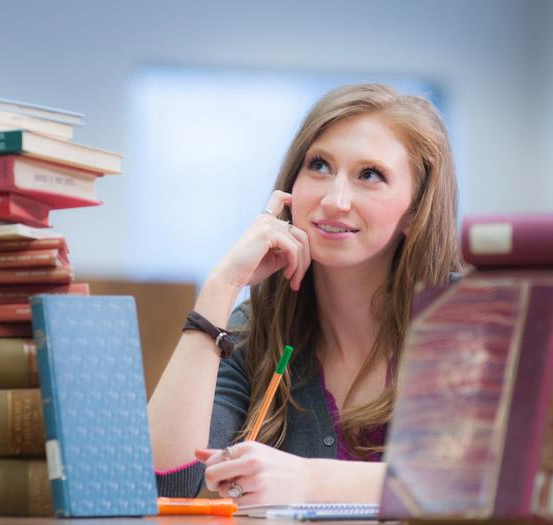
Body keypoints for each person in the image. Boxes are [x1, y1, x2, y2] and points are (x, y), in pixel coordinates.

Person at [147, 84, 462, 505]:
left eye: (370, 175)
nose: (335, 200)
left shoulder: (468, 318)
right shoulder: (255, 331)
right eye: (319, 166)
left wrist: (311, 481)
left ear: (416, 208)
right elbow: (165, 483)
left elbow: (486, 481)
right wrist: (221, 287)